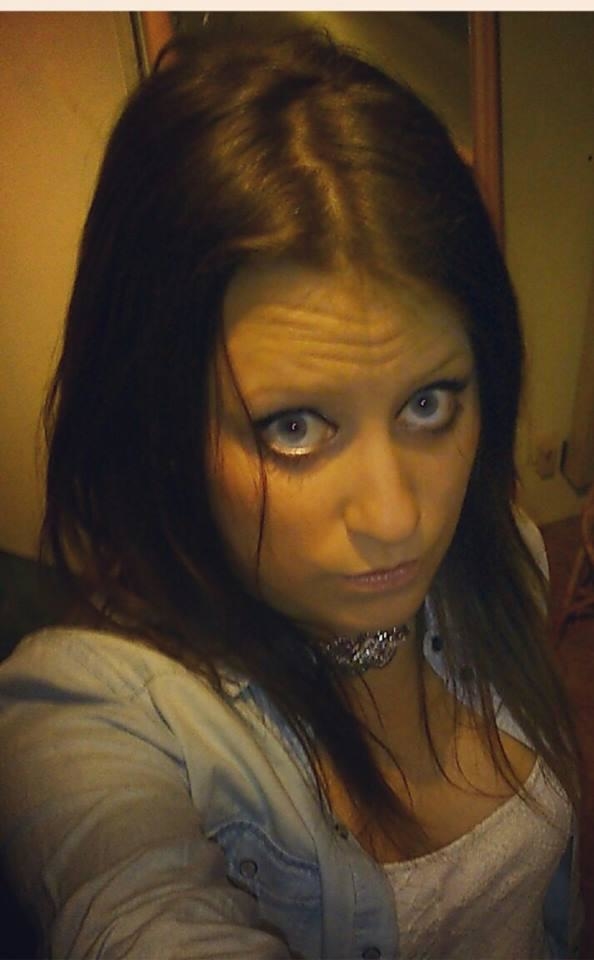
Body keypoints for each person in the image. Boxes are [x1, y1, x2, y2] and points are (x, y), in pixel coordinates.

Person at [0, 29, 582, 960]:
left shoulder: (503, 553)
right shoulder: (95, 717)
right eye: (296, 428)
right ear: (160, 422)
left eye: (429, 404)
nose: (396, 518)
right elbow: (134, 909)